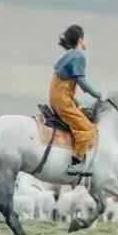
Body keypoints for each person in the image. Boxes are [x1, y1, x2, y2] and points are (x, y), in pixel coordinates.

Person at [50, 25, 104, 176]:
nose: (87, 40)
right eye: (85, 37)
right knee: (87, 128)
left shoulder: (69, 55)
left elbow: (65, 84)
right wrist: (97, 94)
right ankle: (77, 164)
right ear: (80, 39)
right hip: (63, 101)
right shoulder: (78, 56)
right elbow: (81, 80)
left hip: (59, 99)